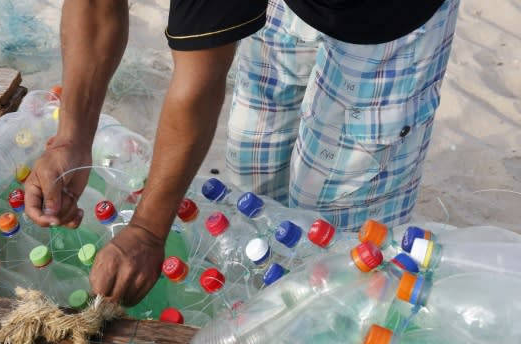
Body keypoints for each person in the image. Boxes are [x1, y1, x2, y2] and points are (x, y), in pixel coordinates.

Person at [24, 0, 460, 307]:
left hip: (384, 16)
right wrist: (70, 140)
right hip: (284, 9)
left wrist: (147, 232)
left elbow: (198, 81)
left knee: (336, 243)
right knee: (254, 190)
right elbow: (96, 8)